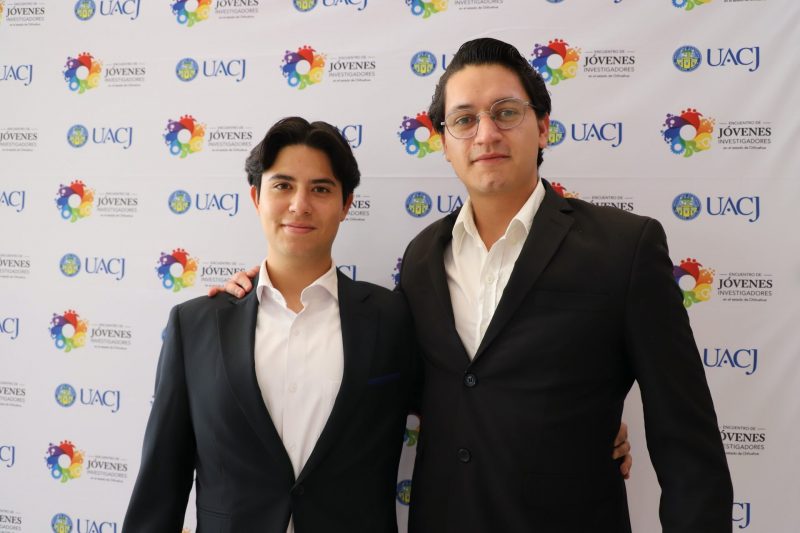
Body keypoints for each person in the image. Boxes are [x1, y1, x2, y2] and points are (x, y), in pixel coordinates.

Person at [220, 38, 732, 532]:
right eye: (464, 120)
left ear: (543, 127)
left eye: (505, 112)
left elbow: (687, 439)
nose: (486, 134)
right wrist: (261, 300)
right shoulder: (421, 258)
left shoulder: (625, 247)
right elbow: (391, 380)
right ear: (445, 143)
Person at [123, 117, 417, 532]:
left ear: (346, 204)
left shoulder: (394, 318)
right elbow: (161, 482)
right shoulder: (195, 326)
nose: (300, 204)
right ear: (256, 197)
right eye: (282, 185)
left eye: (321, 189)